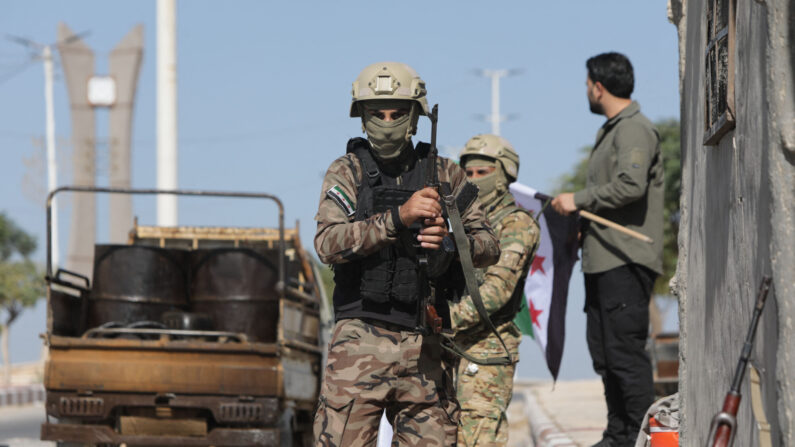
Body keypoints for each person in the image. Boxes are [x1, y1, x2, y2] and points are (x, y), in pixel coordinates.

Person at [313, 61, 500, 447]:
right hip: (359, 341)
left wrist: (449, 241)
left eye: (397, 113)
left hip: (425, 344)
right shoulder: (347, 172)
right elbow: (327, 243)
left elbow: (488, 245)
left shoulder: (446, 174)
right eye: (376, 114)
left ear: (415, 117)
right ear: (361, 118)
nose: (386, 122)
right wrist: (398, 218)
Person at [551, 52, 664, 447]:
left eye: (586, 84)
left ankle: (642, 437)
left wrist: (577, 199)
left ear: (598, 87)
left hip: (625, 260)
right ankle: (617, 435)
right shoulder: (612, 130)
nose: (585, 90)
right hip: (603, 262)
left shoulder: (633, 130)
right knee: (603, 354)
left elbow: (631, 186)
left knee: (624, 356)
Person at [451, 134, 540, 447]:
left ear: (504, 174)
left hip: (486, 354)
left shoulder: (516, 224)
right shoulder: (461, 225)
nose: (474, 180)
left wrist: (445, 319)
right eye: (468, 173)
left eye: (483, 173)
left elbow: (497, 291)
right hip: (451, 349)